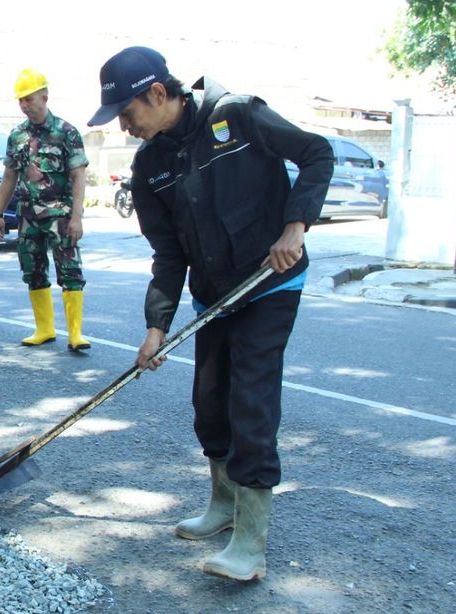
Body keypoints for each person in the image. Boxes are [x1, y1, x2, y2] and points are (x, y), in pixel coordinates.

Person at [87, 46, 333, 581]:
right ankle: (223, 505)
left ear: (158, 93)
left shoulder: (239, 115)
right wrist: (156, 327)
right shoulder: (149, 164)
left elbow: (317, 153)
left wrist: (296, 225)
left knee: (251, 401)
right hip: (213, 296)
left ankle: (251, 541)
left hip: (270, 282)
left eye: (127, 114)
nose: (125, 128)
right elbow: (169, 254)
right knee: (209, 404)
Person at [0, 68, 91, 351]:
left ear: (44, 97)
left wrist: (76, 218)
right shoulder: (17, 136)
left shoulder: (66, 132)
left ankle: (75, 333)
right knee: (32, 270)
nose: (24, 105)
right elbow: (9, 175)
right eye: (20, 100)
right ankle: (44, 328)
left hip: (59, 214)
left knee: (69, 270)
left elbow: (78, 176)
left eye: (29, 98)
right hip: (27, 216)